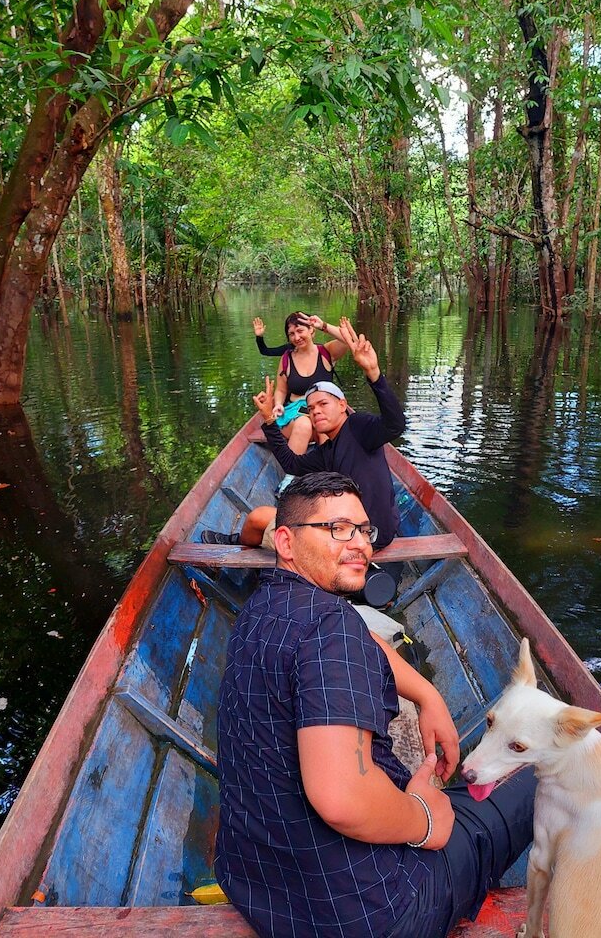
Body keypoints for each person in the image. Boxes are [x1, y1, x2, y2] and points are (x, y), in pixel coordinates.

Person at [214, 472, 536, 938]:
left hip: (260, 893)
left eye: (364, 530)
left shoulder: (264, 607)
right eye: (336, 529)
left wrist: (427, 694)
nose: (359, 544)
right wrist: (427, 820)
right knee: (546, 767)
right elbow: (342, 800)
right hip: (378, 912)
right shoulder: (332, 631)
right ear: (285, 541)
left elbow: (360, 637)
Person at [201, 318, 405, 553]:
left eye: (323, 404)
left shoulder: (359, 427)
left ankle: (238, 543)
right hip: (363, 531)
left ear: (342, 405)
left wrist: (374, 373)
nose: (316, 411)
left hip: (365, 536)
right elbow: (291, 463)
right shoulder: (327, 451)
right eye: (311, 408)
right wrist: (269, 420)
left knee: (257, 518)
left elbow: (395, 425)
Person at [266, 312, 348, 454]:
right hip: (295, 414)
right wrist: (278, 404)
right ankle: (291, 474)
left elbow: (348, 340)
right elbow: (280, 390)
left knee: (325, 425)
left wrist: (323, 325)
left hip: (323, 411)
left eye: (300, 331)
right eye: (291, 334)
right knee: (305, 424)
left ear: (311, 330)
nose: (296, 338)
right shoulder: (287, 358)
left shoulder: (326, 352)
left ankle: (331, 470)